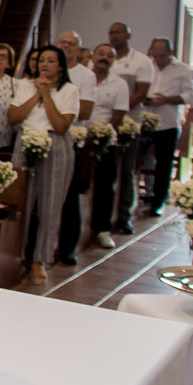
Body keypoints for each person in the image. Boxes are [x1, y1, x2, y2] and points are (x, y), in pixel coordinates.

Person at [8, 45, 78, 285]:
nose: (45, 65)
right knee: (20, 203)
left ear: (61, 66)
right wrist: (36, 93)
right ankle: (15, 255)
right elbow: (13, 117)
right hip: (25, 142)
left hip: (55, 145)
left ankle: (40, 259)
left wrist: (47, 95)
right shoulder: (25, 86)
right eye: (42, 61)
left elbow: (61, 126)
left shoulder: (70, 90)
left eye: (51, 61)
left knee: (49, 205)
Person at [107, 22, 153, 234]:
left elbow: (141, 93)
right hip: (104, 123)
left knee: (125, 170)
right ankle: (103, 217)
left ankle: (124, 216)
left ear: (128, 34)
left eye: (118, 32)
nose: (114, 36)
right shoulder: (105, 57)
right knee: (105, 172)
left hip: (128, 123)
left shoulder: (141, 61)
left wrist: (119, 110)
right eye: (111, 33)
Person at [55, 31, 97, 265]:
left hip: (72, 139)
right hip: (44, 138)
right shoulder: (48, 70)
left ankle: (68, 248)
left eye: (72, 45)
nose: (67, 47)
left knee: (69, 198)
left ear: (79, 50)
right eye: (63, 43)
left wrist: (60, 108)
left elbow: (86, 110)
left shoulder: (85, 76)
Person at [144, 38, 193, 217]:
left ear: (170, 53)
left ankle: (158, 202)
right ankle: (134, 198)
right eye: (155, 55)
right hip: (145, 119)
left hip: (167, 122)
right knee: (135, 160)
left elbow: (189, 95)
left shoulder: (183, 70)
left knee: (164, 165)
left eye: (162, 56)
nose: (158, 59)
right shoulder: (147, 65)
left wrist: (166, 99)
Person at [86, 44, 129, 249]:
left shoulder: (119, 84)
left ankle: (102, 229)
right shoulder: (82, 77)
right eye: (101, 54)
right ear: (93, 56)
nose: (104, 58)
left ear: (114, 60)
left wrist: (102, 135)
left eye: (109, 56)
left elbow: (118, 116)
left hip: (105, 140)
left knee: (105, 186)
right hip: (79, 138)